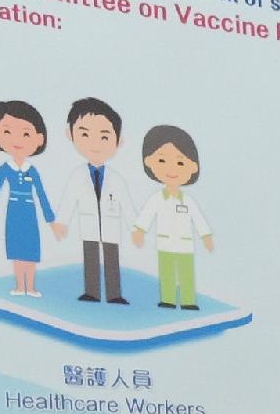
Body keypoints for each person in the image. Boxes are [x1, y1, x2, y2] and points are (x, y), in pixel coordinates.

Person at [61, 97, 132, 307]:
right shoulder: (77, 175)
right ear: (70, 134)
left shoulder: (116, 178)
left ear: (118, 142)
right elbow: (68, 199)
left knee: (111, 259)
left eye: (104, 137)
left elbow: (126, 202)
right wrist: (61, 221)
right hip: (89, 225)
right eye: (84, 134)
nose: (95, 144)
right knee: (90, 257)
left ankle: (114, 294)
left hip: (111, 225)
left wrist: (137, 226)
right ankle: (91, 292)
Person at [0, 101, 55, 297]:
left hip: (30, 213)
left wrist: (51, 220)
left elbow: (41, 195)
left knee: (30, 251)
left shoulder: (33, 170)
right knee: (17, 251)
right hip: (13, 212)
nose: (17, 140)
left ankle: (30, 286)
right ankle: (20, 286)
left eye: (25, 134)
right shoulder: (5, 169)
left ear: (39, 139)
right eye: (7, 132)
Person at [137, 125, 213, 313]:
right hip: (165, 244)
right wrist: (140, 231)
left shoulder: (188, 201)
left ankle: (188, 300)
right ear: (149, 162)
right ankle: (168, 299)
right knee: (167, 272)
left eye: (180, 163)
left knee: (186, 273)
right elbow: (147, 215)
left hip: (185, 245)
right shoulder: (156, 199)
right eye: (162, 160)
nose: (171, 169)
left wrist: (206, 236)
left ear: (193, 167)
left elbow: (199, 220)